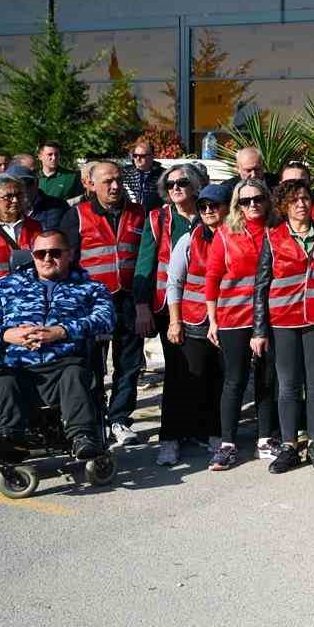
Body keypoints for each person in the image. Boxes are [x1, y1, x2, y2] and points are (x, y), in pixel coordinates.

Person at [0, 228, 114, 465]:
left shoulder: (90, 288)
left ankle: (82, 437)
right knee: (3, 382)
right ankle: (12, 439)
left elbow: (106, 318)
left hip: (64, 365)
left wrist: (62, 331)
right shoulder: (6, 286)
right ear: (32, 256)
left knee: (75, 374)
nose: (46, 258)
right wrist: (6, 334)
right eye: (40, 253)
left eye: (54, 252)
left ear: (70, 254)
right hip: (19, 367)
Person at [61, 159, 147, 448]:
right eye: (107, 181)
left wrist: (143, 302)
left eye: (118, 179)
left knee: (129, 364)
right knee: (92, 365)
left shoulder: (139, 213)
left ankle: (120, 419)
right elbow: (65, 263)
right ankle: (94, 420)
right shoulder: (77, 215)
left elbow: (148, 260)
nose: (114, 185)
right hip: (91, 305)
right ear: (90, 185)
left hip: (129, 301)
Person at [252, 179, 314, 473]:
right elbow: (260, 285)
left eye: (305, 198)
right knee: (287, 385)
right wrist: (259, 330)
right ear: (284, 206)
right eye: (294, 200)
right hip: (283, 320)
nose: (301, 204)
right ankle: (289, 446)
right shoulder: (272, 238)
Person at [134, 161, 202, 466]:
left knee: (202, 370)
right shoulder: (157, 218)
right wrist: (141, 305)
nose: (176, 188)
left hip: (203, 306)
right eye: (171, 184)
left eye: (182, 183)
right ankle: (170, 438)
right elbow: (145, 263)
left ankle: (196, 430)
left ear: (196, 186)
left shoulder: (210, 214)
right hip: (166, 306)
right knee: (177, 371)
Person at [205, 178, 275, 471]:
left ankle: (265, 440)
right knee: (234, 380)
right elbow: (212, 277)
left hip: (270, 318)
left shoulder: (276, 230)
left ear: (266, 199)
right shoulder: (225, 233)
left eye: (257, 198)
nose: (252, 205)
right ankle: (228, 445)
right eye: (245, 201)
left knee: (267, 380)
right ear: (237, 205)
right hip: (233, 317)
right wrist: (212, 320)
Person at [163, 182, 228, 463]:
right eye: (203, 206)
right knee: (182, 381)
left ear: (227, 208)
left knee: (218, 380)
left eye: (214, 205)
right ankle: (169, 439)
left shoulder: (237, 238)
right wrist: (174, 322)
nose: (209, 210)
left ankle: (213, 433)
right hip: (192, 321)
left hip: (227, 321)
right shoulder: (188, 241)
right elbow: (174, 283)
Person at [119, 141, 164, 212]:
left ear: (152, 156)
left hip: (153, 217)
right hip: (129, 216)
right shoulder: (124, 173)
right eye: (135, 155)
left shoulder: (162, 174)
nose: (137, 159)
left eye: (142, 156)